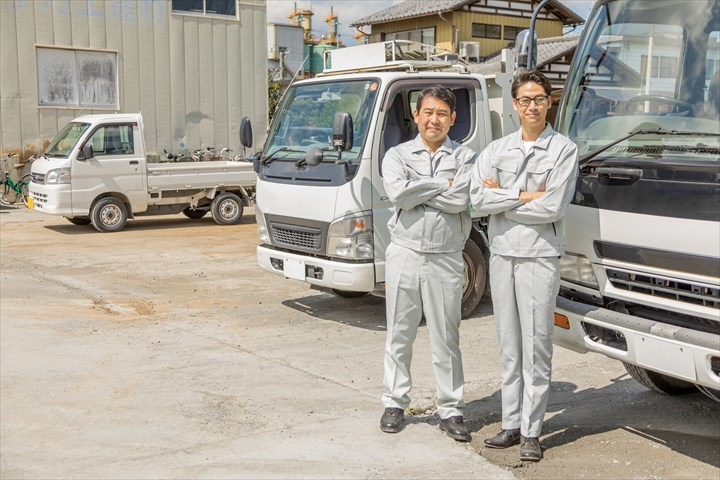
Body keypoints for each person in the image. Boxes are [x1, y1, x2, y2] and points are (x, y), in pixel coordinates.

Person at [469, 70, 578, 461]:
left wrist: (504, 197)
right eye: (524, 100)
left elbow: (553, 205)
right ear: (514, 105)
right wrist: (525, 195)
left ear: (549, 102)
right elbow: (476, 202)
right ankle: (510, 424)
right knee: (509, 345)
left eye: (538, 99)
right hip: (502, 254)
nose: (531, 106)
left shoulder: (564, 150)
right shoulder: (496, 149)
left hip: (539, 255)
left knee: (536, 345)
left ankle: (532, 431)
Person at [380, 86, 476, 441]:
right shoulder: (397, 155)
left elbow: (461, 198)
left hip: (447, 256)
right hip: (404, 252)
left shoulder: (466, 157)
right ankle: (394, 402)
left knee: (446, 336)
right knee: (399, 331)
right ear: (416, 115)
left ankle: (450, 409)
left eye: (442, 114)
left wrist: (420, 189)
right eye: (428, 112)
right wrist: (441, 185)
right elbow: (398, 195)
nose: (434, 119)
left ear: (452, 119)